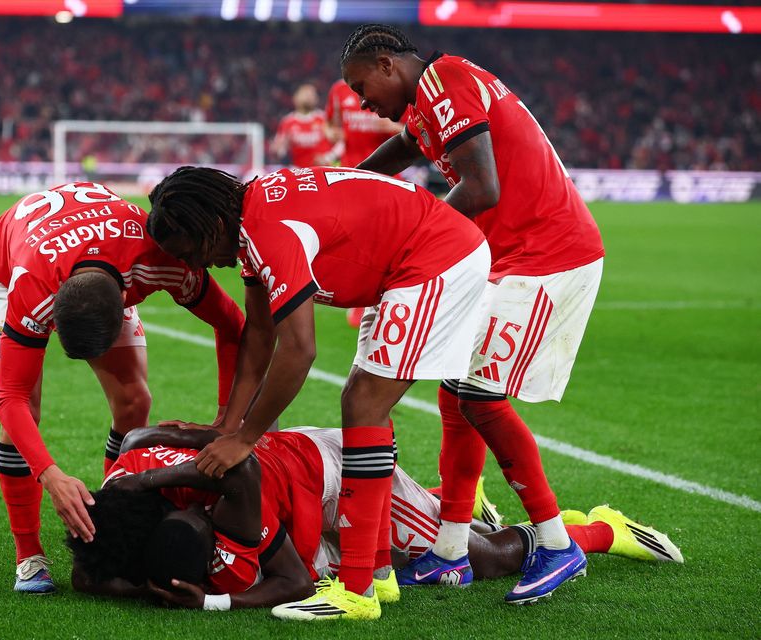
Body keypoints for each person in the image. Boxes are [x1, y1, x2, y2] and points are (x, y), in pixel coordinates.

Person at [146, 164, 491, 620]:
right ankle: (377, 575)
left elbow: (299, 349)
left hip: (435, 257)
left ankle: (357, 592)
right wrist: (227, 426)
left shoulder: (267, 232)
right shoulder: (249, 217)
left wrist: (246, 439)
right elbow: (259, 332)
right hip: (405, 264)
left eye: (191, 251)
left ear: (211, 225)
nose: (195, 266)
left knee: (363, 403)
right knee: (362, 402)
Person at [339, 24, 606, 604]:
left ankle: (558, 542)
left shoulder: (445, 79)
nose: (364, 103)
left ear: (388, 64)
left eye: (363, 87)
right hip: (511, 259)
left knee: (480, 396)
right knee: (455, 392)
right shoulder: (434, 95)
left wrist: (411, 242)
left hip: (550, 255)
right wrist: (350, 188)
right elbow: (406, 148)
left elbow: (481, 187)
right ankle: (450, 552)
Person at [67, 426, 683, 613]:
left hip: (334, 472)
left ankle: (598, 530)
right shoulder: (123, 490)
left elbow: (293, 583)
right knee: (431, 538)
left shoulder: (219, 506)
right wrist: (113, 581)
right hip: (291, 512)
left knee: (473, 560)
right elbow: (150, 436)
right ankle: (449, 506)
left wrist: (209, 605)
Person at [0, 181, 244, 593]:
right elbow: (9, 399)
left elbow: (232, 324)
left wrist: (227, 417)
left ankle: (109, 518)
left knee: (134, 400)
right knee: (23, 412)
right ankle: (28, 555)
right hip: (9, 263)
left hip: (102, 254)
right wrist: (51, 476)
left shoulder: (163, 260)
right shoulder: (30, 288)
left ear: (126, 301)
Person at [324, 78, 405, 328]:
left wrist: (389, 127)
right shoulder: (337, 90)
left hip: (388, 175)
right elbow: (329, 126)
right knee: (357, 241)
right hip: (352, 174)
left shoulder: (393, 88)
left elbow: (412, 130)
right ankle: (361, 301)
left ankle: (390, 300)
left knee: (387, 243)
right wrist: (336, 136)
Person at [271, 84, 333, 169]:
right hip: (299, 171)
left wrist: (328, 157)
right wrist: (278, 150)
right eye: (305, 93)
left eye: (312, 94)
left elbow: (340, 143)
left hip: (323, 169)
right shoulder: (288, 122)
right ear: (295, 98)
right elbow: (280, 149)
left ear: (316, 99)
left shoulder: (324, 118)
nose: (309, 96)